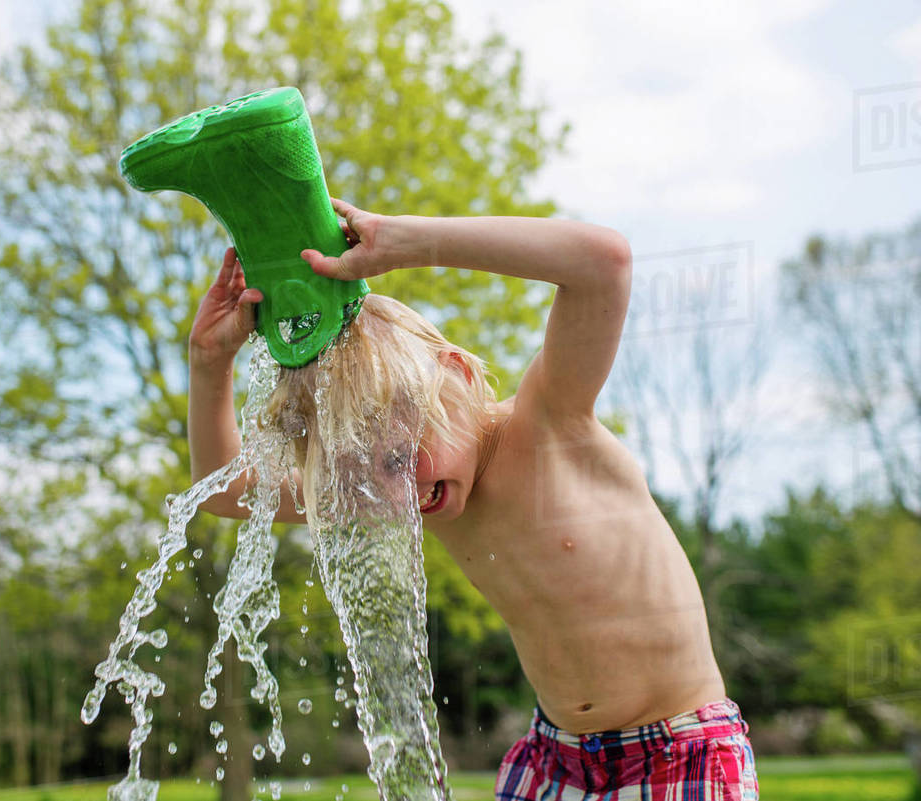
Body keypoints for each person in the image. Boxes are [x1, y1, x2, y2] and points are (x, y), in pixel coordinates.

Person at [187, 198, 760, 800]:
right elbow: (226, 491)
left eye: (402, 458)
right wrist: (209, 363)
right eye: (368, 474)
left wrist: (407, 243)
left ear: (458, 376)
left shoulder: (548, 424)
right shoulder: (397, 488)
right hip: (554, 759)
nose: (396, 492)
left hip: (679, 750)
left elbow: (602, 262)